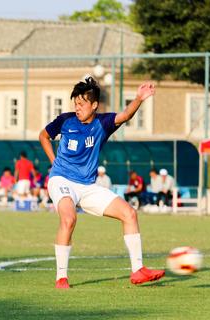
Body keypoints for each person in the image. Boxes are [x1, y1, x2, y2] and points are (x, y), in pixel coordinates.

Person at [39, 77, 164, 289]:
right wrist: (54, 163)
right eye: (75, 104)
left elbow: (125, 115)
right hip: (61, 179)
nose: (77, 108)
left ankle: (138, 271)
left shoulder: (102, 123)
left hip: (88, 186)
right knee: (69, 219)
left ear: (94, 105)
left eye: (81, 104)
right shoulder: (65, 120)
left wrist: (139, 98)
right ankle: (61, 278)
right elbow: (43, 136)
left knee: (129, 214)